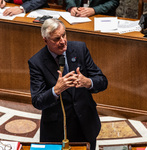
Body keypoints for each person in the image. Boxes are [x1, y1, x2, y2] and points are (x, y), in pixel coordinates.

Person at [28, 18, 108, 150]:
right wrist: (55, 90)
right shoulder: (37, 62)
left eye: (64, 35)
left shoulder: (80, 49)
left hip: (85, 123)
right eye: (56, 39)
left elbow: (103, 81)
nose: (63, 41)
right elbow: (37, 101)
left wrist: (88, 82)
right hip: (56, 129)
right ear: (45, 40)